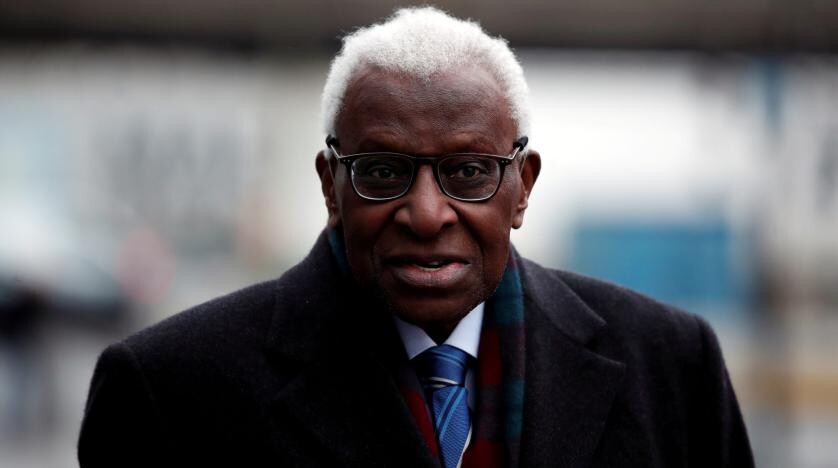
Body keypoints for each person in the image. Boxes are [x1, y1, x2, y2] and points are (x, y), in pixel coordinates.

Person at [78, 7, 754, 467]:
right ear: (331, 187)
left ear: (522, 187)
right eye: (382, 171)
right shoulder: (166, 389)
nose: (427, 214)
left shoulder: (672, 367)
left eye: (468, 172)